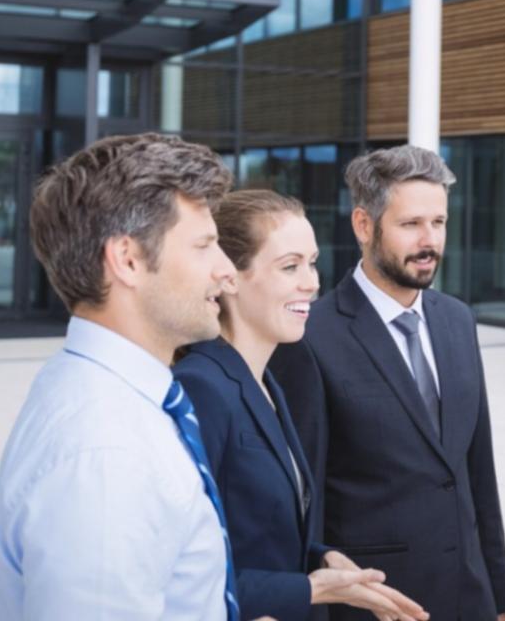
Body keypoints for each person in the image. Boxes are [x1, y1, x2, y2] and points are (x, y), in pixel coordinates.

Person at [0, 133, 248, 618]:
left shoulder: (104, 393)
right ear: (127, 260)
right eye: (205, 245)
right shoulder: (106, 455)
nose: (227, 271)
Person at [270, 145, 505, 621]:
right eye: (411, 225)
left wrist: (500, 598)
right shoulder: (309, 337)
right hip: (373, 604)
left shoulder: (457, 320)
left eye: (439, 223)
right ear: (364, 225)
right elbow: (306, 500)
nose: (430, 241)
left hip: (469, 597)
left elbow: (475, 472)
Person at [172, 190, 428, 621]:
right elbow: (181, 569)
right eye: (290, 266)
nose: (311, 282)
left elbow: (260, 527)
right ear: (228, 276)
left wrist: (323, 558)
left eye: (311, 263)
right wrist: (307, 589)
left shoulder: (267, 379)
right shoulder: (202, 387)